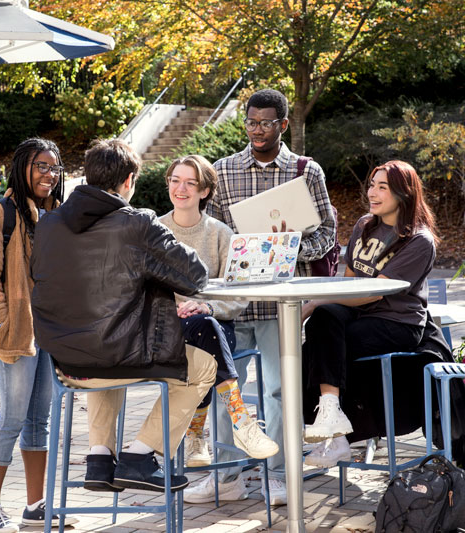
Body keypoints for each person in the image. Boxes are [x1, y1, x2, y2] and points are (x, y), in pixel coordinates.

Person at [30, 139, 217, 493]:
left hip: (67, 363)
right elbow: (196, 276)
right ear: (129, 181)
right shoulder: (137, 223)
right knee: (204, 367)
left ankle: (99, 459)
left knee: (102, 348)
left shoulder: (48, 223)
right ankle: (141, 454)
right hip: (121, 356)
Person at [185, 88, 337, 505]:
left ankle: (279, 477)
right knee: (224, 394)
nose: (256, 130)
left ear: (283, 125)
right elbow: (211, 235)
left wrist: (287, 251)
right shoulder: (224, 170)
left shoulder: (307, 172)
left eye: (266, 123)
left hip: (280, 306)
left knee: (276, 393)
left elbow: (327, 233)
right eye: (251, 122)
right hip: (232, 304)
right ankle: (228, 475)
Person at [0, 138, 76, 533]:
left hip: (48, 333)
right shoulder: (2, 212)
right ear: (22, 168)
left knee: (39, 421)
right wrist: (0, 322)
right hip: (16, 332)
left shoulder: (55, 213)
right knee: (12, 419)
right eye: (40, 167)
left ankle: (35, 506)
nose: (49, 174)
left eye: (54, 168)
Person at [300, 160, 438, 467]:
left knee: (321, 338)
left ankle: (334, 436)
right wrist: (321, 305)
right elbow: (350, 283)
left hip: (397, 322)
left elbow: (376, 292)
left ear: (404, 193)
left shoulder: (418, 240)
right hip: (361, 314)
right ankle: (331, 421)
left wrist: (312, 303)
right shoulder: (365, 224)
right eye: (371, 185)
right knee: (325, 322)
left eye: (382, 187)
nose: (372, 193)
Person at [158, 154, 279, 481]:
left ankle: (200, 432)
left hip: (212, 324)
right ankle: (237, 421)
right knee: (205, 334)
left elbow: (240, 295)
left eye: (190, 183)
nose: (180, 188)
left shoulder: (221, 233)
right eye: (175, 180)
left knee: (208, 328)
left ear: (205, 191)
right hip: (167, 326)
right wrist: (176, 308)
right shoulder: (153, 230)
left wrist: (207, 307)